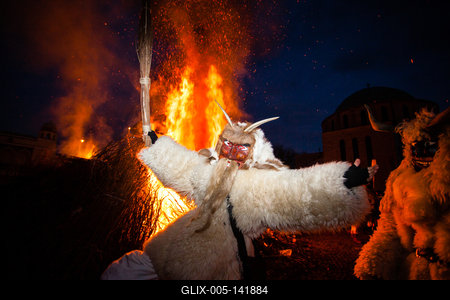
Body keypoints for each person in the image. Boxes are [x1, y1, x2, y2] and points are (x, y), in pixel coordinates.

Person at [102, 102, 378, 280]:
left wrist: (341, 182)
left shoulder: (258, 184)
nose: (232, 153)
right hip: (174, 247)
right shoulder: (210, 171)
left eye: (241, 148)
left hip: (215, 265)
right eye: (227, 146)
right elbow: (184, 168)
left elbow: (297, 193)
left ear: (253, 152)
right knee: (120, 272)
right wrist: (156, 145)